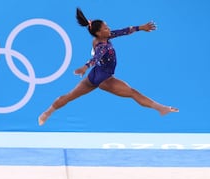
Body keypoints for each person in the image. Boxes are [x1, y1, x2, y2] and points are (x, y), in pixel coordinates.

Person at [38, 8, 179, 126]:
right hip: (104, 78)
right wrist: (85, 66)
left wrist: (140, 28)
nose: (109, 28)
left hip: (95, 75)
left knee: (69, 96)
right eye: (106, 28)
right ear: (99, 32)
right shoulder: (102, 45)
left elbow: (123, 31)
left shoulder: (105, 37)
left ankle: (46, 113)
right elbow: (97, 57)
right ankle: (161, 108)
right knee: (133, 93)